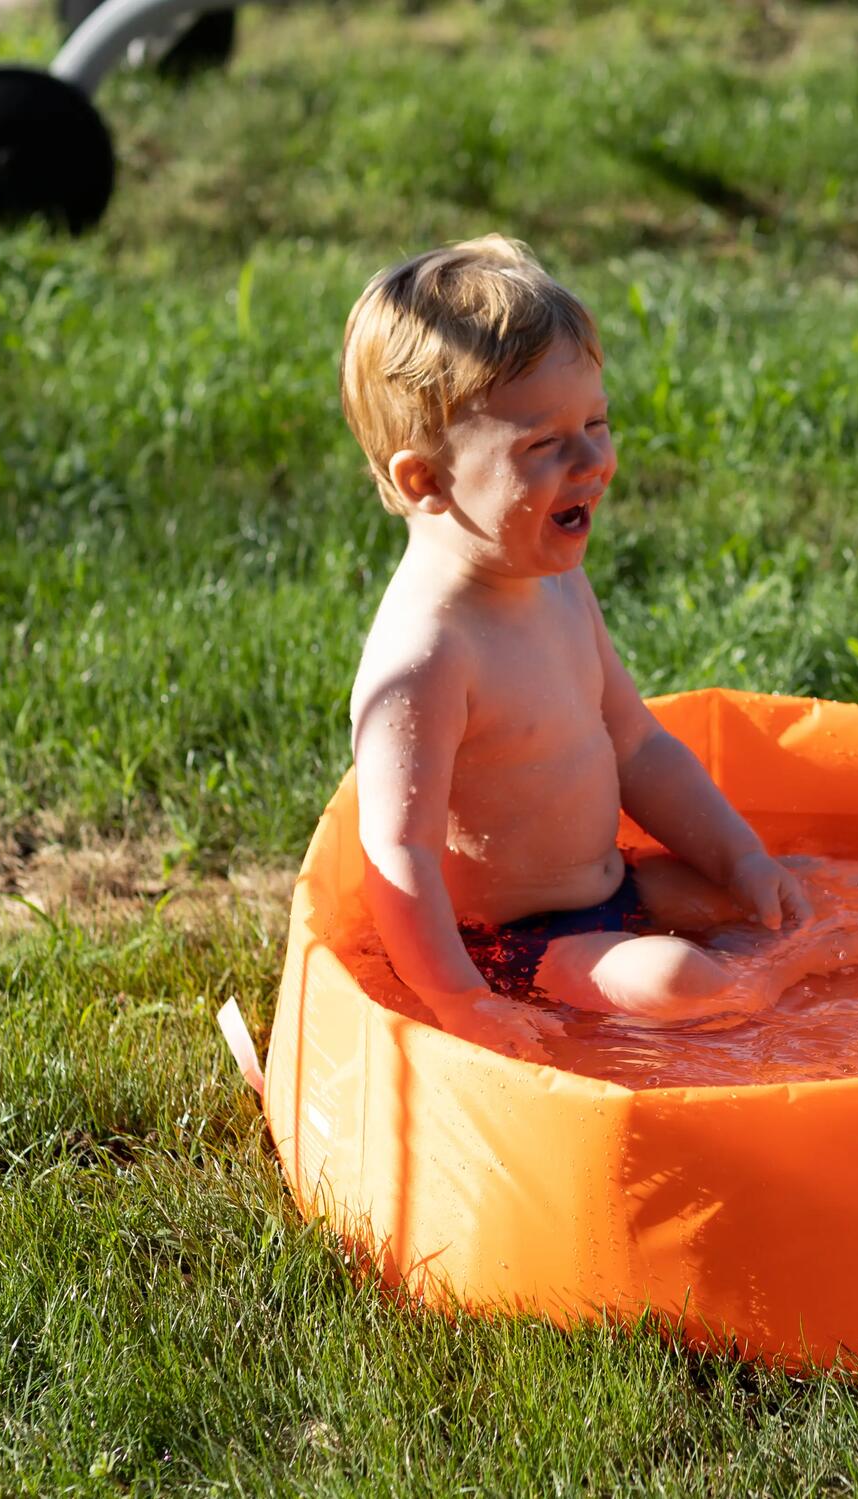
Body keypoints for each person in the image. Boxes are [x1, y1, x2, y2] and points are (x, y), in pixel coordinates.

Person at [340, 235, 829, 1059]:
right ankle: (793, 1000)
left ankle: (793, 959)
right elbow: (401, 853)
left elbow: (636, 742)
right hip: (519, 947)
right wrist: (460, 1001)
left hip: (612, 884)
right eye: (545, 446)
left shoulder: (556, 583)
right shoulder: (427, 655)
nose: (594, 461)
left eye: (597, 424)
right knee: (683, 981)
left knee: (795, 890)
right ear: (426, 480)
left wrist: (740, 857)